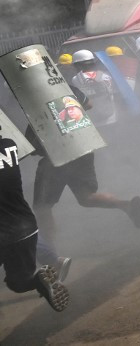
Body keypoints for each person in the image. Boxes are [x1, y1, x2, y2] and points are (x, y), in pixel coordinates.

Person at [29, 84, 140, 264]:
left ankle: (52, 258)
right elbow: (89, 104)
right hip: (82, 145)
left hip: (56, 155)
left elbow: (33, 137)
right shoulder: (62, 85)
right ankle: (127, 205)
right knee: (86, 197)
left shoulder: (29, 94)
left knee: (43, 207)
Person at [0, 124, 70, 312]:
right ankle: (44, 276)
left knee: (17, 284)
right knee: (17, 280)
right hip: (27, 227)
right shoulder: (9, 144)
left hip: (5, 235)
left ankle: (39, 280)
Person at [70, 50, 116, 126]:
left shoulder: (76, 79)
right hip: (112, 116)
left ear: (78, 65)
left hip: (94, 120)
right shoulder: (106, 75)